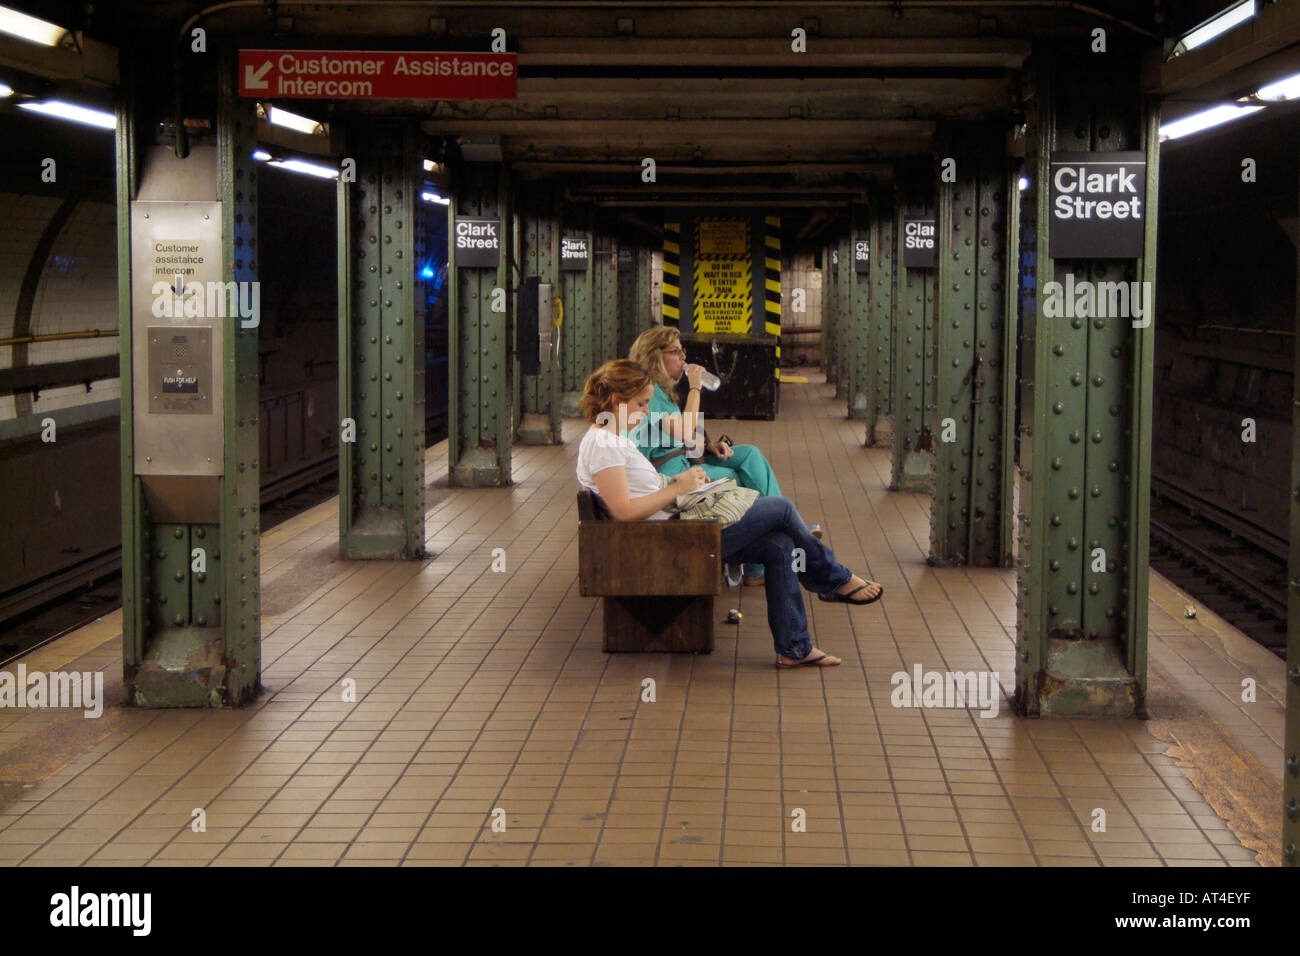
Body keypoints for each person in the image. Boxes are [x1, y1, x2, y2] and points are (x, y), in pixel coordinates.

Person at [576, 359, 883, 668]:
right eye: (641, 404)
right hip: (673, 539)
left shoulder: (612, 439)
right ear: (617, 401)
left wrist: (684, 482)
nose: (645, 411)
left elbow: (639, 490)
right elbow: (624, 511)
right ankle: (834, 580)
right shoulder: (605, 445)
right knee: (782, 508)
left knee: (780, 546)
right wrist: (677, 488)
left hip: (676, 529)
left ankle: (794, 647)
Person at [628, 326, 798, 586]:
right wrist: (695, 388)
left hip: (684, 461)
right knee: (738, 475)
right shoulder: (648, 392)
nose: (684, 357)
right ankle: (775, 545)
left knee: (749, 454)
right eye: (675, 352)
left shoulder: (661, 390)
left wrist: (709, 447)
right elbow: (684, 431)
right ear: (654, 357)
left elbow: (674, 437)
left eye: (682, 350)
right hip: (671, 476)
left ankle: (773, 544)